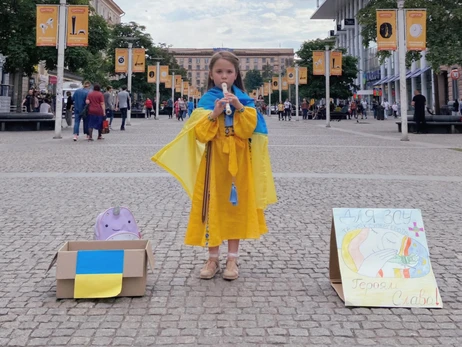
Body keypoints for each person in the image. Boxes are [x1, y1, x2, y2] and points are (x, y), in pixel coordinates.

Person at [152, 51, 277, 281]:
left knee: (235, 207)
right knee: (211, 208)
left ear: (236, 74)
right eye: (219, 72)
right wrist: (214, 114)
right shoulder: (207, 100)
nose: (224, 77)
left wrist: (239, 107)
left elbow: (248, 130)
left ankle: (232, 258)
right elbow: (200, 135)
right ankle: (212, 258)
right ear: (211, 74)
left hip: (239, 164)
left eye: (229, 72)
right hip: (213, 163)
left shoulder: (245, 100)